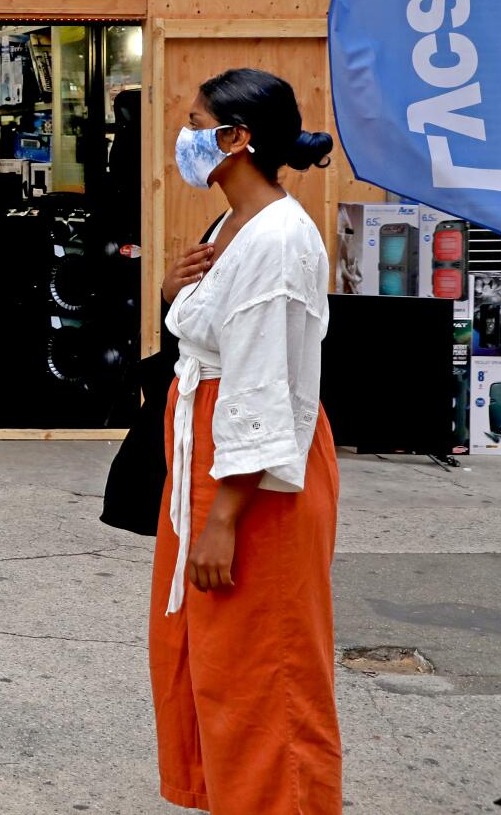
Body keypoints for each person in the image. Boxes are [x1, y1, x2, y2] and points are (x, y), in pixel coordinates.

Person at [150, 68, 340, 814]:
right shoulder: (231, 224)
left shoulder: (280, 243)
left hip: (252, 473)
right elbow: (210, 327)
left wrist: (223, 518)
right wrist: (174, 292)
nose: (184, 134)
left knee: (271, 664)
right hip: (209, 453)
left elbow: (264, 383)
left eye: (196, 121)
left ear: (236, 138)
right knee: (210, 654)